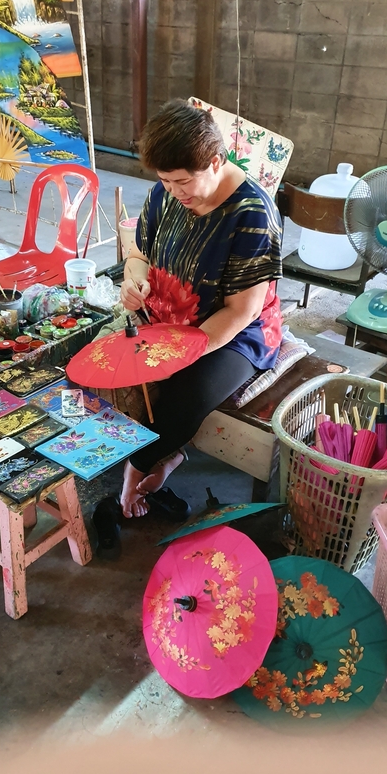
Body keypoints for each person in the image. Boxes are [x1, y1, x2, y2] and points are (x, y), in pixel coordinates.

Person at [119, 99, 283, 519]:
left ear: (216, 160)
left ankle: (138, 468)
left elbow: (240, 312)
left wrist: (178, 354)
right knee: (114, 371)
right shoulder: (165, 193)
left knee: (185, 395)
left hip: (236, 334)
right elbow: (139, 253)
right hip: (167, 316)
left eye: (182, 182)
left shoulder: (254, 214)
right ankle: (167, 454)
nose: (174, 192)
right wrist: (134, 279)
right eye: (165, 182)